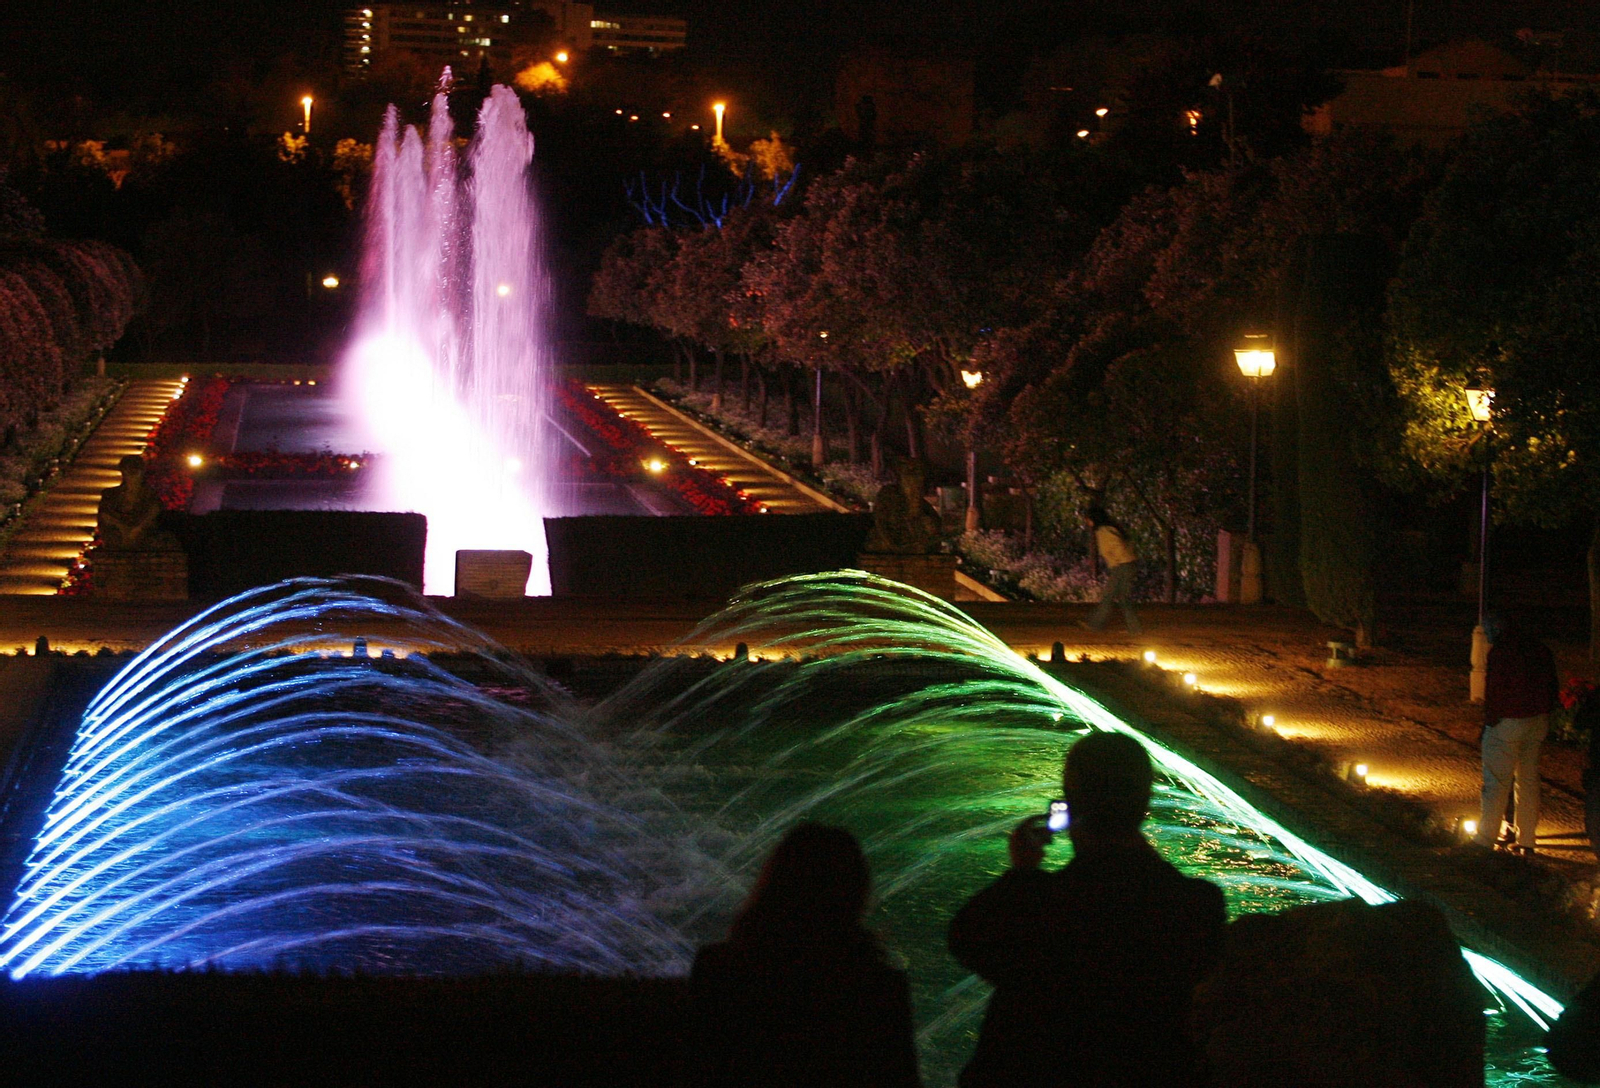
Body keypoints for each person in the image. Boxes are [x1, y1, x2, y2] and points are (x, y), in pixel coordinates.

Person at [948, 731, 1226, 1087]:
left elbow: (965, 938)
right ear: (1144, 803)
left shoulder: (1039, 905)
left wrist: (1022, 871)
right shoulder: (1196, 906)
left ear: (1068, 804)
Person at [690, 823, 921, 1088]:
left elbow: (702, 1067)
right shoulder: (879, 987)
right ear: (854, 892)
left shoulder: (719, 967)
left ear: (773, 884)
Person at [1476, 611, 1558, 854]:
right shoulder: (1540, 649)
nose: (1487, 636)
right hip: (1537, 720)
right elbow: (1552, 685)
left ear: (1497, 629)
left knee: (1496, 782)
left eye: (1488, 631)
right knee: (1528, 781)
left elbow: (1495, 691)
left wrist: (1490, 722)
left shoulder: (1502, 652)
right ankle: (1527, 840)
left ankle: (1485, 839)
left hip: (1508, 721)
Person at [1083, 507, 1140, 635]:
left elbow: (1117, 545)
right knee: (1123, 598)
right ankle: (1134, 628)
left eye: (1088, 519)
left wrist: (1118, 560)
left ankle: (1095, 624)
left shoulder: (1104, 531)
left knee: (1109, 596)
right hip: (1125, 564)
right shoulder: (1109, 529)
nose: (1087, 522)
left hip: (1122, 565)